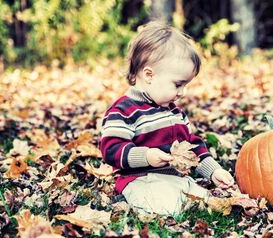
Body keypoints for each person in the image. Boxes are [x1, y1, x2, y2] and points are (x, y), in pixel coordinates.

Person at [99, 21, 248, 216]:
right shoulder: (124, 110)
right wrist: (146, 156)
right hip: (140, 179)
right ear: (149, 75)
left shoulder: (175, 113)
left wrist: (213, 171)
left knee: (206, 202)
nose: (182, 93)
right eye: (178, 85)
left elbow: (192, 148)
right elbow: (110, 149)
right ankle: (138, 203)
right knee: (169, 206)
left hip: (175, 178)